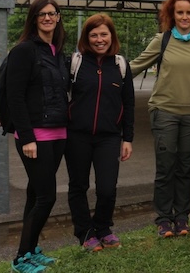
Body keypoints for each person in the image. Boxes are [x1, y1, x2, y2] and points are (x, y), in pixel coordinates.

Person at [130, 0, 190, 238]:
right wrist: (106, 74)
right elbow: (136, 65)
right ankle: (163, 219)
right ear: (172, 14)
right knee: (166, 167)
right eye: (180, 12)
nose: (184, 17)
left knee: (185, 168)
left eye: (189, 12)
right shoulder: (162, 40)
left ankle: (182, 217)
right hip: (164, 111)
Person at [0, 0, 69, 272]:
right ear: (34, 18)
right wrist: (27, 136)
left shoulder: (57, 51)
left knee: (35, 195)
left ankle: (31, 251)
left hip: (58, 133)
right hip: (35, 137)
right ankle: (20, 259)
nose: (48, 18)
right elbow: (15, 95)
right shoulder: (25, 50)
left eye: (52, 13)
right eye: (42, 14)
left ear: (58, 17)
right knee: (46, 197)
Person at [66, 13, 135, 252]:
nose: (99, 39)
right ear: (86, 38)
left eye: (104, 34)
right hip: (77, 136)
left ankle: (103, 228)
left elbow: (129, 103)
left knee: (107, 188)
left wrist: (128, 138)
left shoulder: (120, 65)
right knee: (78, 186)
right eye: (93, 35)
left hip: (109, 137)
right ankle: (85, 233)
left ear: (111, 36)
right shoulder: (75, 63)